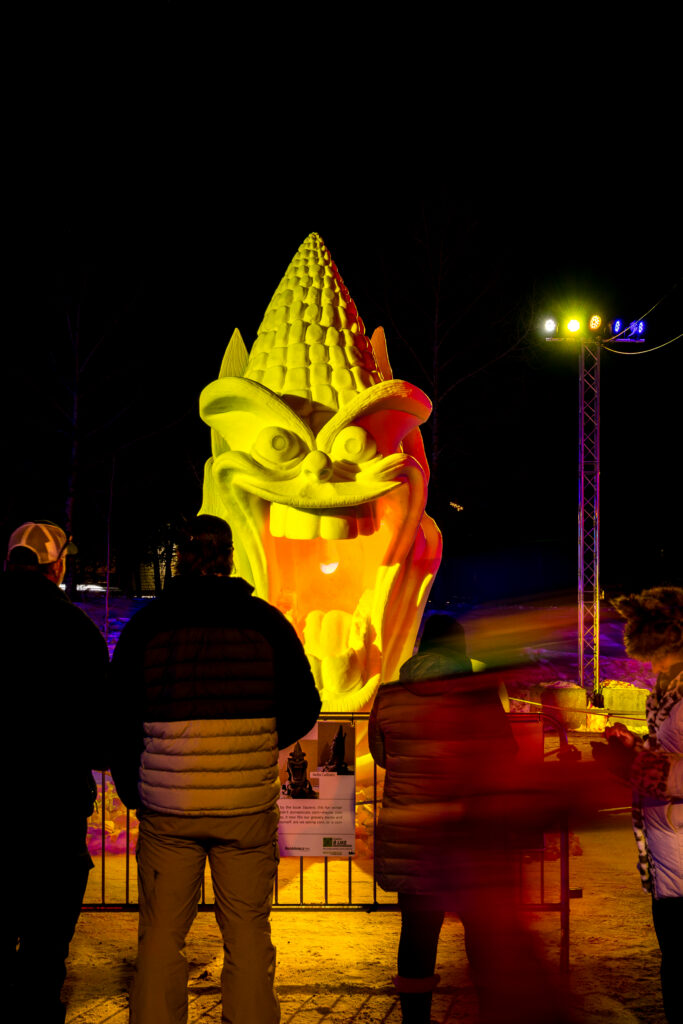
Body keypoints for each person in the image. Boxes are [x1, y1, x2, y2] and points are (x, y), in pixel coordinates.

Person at [110, 515, 321, 1024]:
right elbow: (304, 706)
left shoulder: (148, 626)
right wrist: (259, 741)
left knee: (161, 935)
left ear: (180, 559)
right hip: (245, 807)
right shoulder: (266, 623)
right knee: (247, 933)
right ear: (229, 557)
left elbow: (118, 715)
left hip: (169, 807)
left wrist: (134, 789)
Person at [369, 614, 567, 1024]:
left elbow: (382, 755)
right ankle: (488, 1012)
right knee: (482, 932)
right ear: (461, 649)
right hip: (467, 836)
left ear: (422, 648)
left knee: (417, 933)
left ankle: (415, 1020)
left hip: (412, 831)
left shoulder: (390, 695)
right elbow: (504, 751)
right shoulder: (475, 694)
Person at [2, 520, 109, 1024]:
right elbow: (100, 726)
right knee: (46, 938)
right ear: (57, 566)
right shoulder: (76, 629)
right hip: (53, 802)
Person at [592, 586, 683, 1024]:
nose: (655, 666)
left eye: (660, 655)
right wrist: (634, 746)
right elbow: (669, 752)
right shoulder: (667, 693)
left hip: (681, 855)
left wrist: (637, 765)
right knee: (673, 959)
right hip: (669, 857)